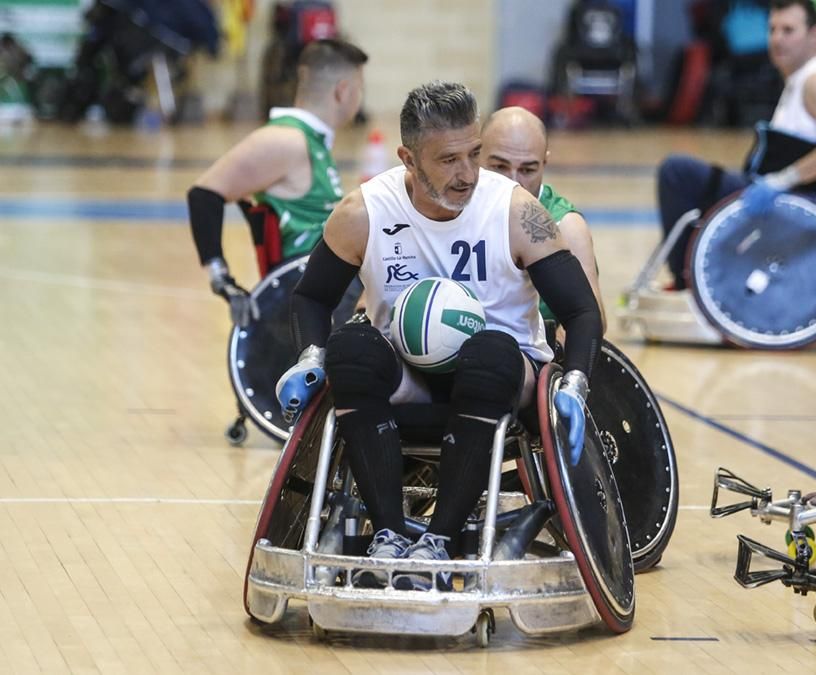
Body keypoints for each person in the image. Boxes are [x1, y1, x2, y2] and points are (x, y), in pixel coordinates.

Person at [274, 81, 603, 589]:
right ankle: (386, 535)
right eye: (448, 160)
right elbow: (310, 296)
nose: (467, 174)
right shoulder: (364, 212)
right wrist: (311, 355)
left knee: (488, 353)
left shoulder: (515, 211)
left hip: (503, 374)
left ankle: (440, 542)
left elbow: (582, 310)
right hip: (407, 375)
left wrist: (577, 382)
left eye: (474, 154)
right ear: (408, 158)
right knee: (352, 348)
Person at [655, 0, 816, 289]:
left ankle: (686, 281)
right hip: (776, 196)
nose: (777, 39)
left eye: (788, 30)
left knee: (677, 172)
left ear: (815, 35)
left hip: (791, 205)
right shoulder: (799, 78)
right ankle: (700, 275)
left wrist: (783, 180)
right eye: (773, 29)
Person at [187, 38, 367, 326]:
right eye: (361, 87)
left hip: (334, 287)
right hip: (313, 296)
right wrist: (222, 280)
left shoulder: (311, 140)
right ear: (343, 91)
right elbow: (204, 194)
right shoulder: (286, 140)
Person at [479, 106, 606, 330]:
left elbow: (594, 323)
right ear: (475, 156)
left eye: (527, 170)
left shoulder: (566, 226)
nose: (513, 182)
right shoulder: (456, 205)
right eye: (499, 167)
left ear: (544, 164)